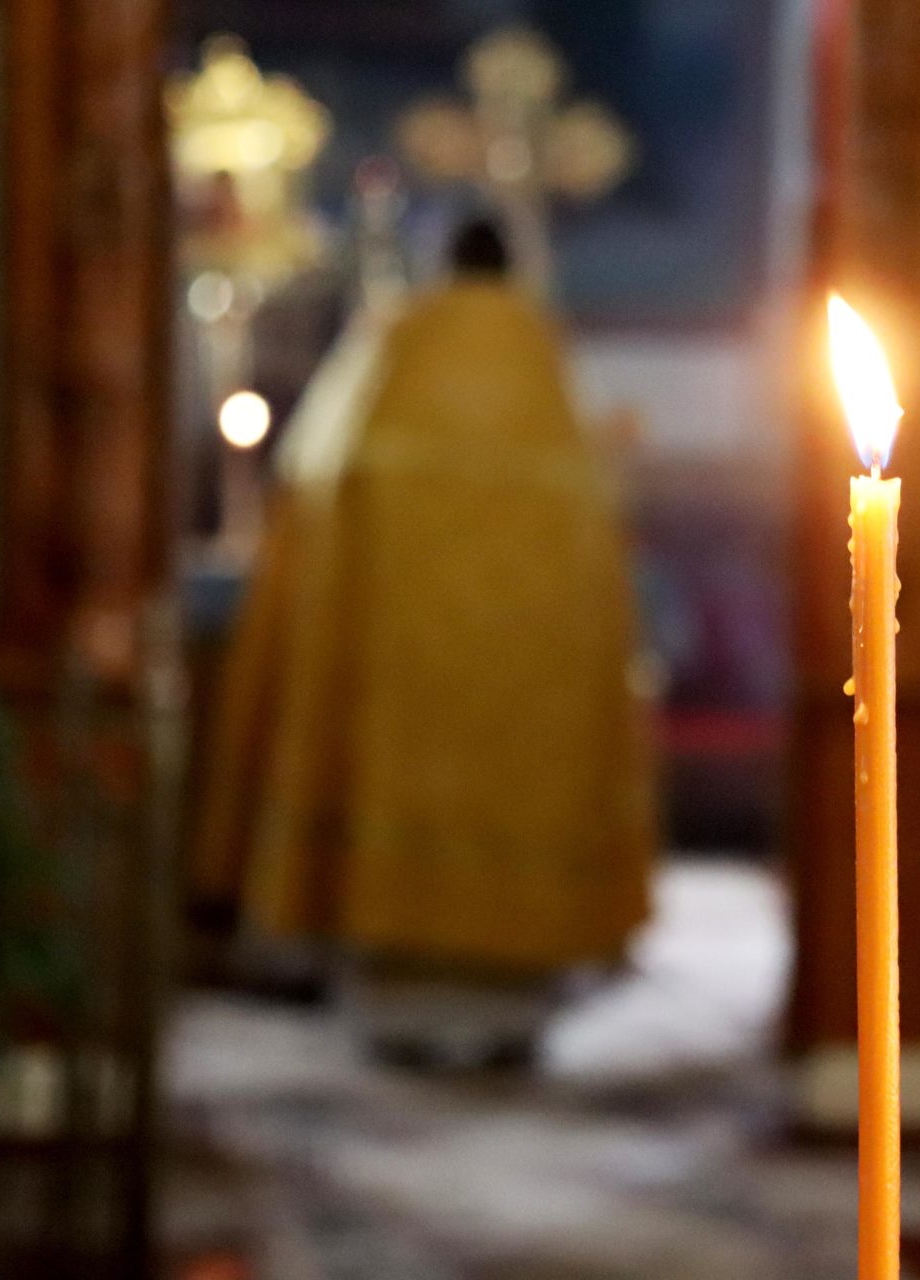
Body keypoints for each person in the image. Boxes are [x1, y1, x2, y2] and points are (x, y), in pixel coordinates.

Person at [194, 218, 653, 1063]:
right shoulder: (541, 358)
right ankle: (511, 1018)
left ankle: (399, 1014)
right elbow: (599, 534)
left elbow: (316, 491)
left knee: (391, 804)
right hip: (525, 679)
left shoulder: (397, 347)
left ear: (442, 266)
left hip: (398, 676)